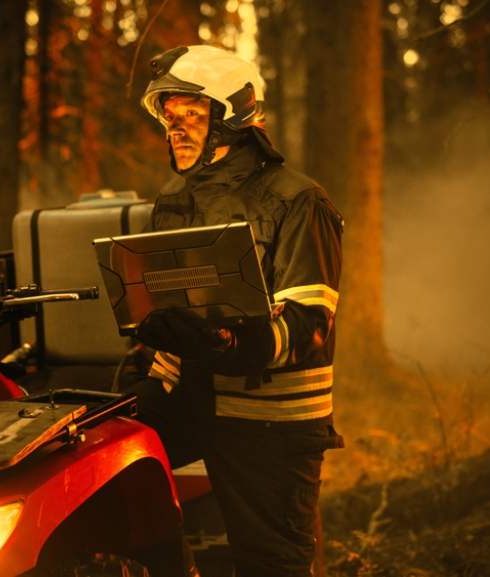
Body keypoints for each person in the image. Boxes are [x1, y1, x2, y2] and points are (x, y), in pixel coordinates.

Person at [131, 45, 344, 577]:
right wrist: (152, 336)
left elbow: (308, 324)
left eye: (191, 115)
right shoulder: (174, 198)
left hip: (270, 422)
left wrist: (230, 344)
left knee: (271, 563)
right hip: (188, 398)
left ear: (233, 117)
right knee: (119, 504)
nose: (174, 129)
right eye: (168, 116)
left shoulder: (298, 201)